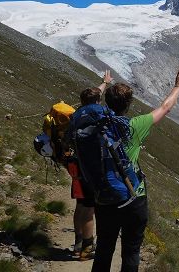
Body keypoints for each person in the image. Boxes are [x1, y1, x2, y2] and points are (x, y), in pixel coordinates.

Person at [91, 66, 179, 272]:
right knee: (131, 250)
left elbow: (91, 98)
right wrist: (178, 86)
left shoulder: (96, 125)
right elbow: (165, 107)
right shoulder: (135, 126)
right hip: (133, 197)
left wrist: (105, 84)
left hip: (105, 197)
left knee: (103, 249)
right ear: (128, 105)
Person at [70, 71, 114, 260]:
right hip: (92, 168)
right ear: (97, 101)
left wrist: (104, 83)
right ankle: (88, 248)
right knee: (89, 207)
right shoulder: (100, 112)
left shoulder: (77, 114)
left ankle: (78, 243)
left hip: (77, 166)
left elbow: (94, 95)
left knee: (80, 205)